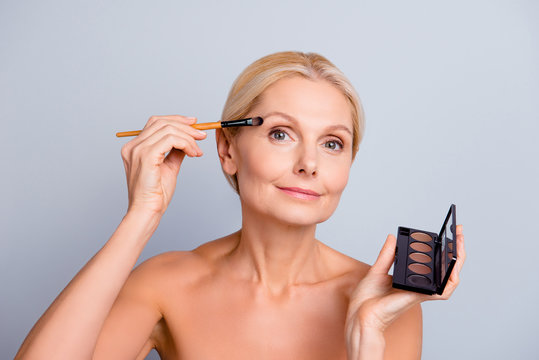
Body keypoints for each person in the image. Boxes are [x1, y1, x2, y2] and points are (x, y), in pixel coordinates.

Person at [15, 51, 465, 360]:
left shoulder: (387, 307)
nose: (309, 164)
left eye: (332, 143)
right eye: (280, 134)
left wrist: (365, 338)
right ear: (227, 150)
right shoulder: (165, 284)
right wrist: (141, 217)